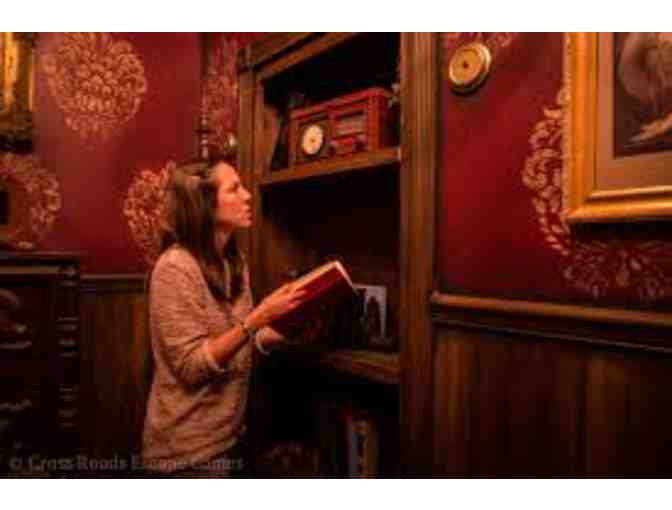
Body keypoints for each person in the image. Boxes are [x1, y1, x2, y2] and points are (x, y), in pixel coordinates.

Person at [141, 159, 305, 478]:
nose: (247, 195)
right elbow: (192, 367)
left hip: (230, 438)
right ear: (204, 205)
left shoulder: (234, 262)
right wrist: (259, 317)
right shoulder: (174, 268)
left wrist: (281, 330)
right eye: (234, 189)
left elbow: (239, 341)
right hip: (186, 451)